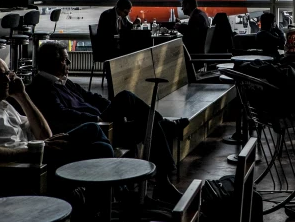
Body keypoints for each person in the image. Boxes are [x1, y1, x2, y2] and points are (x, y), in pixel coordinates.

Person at [26, 42, 186, 202]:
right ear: (53, 62)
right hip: (93, 131)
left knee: (147, 125)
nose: (69, 64)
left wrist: (112, 109)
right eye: (65, 60)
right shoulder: (41, 87)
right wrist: (97, 118)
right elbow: (61, 114)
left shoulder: (64, 82)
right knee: (126, 97)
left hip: (104, 122)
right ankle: (166, 127)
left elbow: (90, 97)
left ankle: (163, 182)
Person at [0, 56, 113, 168]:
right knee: (101, 148)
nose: (9, 80)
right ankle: (110, 197)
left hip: (37, 154)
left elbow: (45, 135)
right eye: (2, 75)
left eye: (9, 74)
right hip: (21, 166)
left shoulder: (6, 106)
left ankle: (107, 196)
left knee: (92, 129)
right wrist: (28, 151)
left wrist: (23, 97)